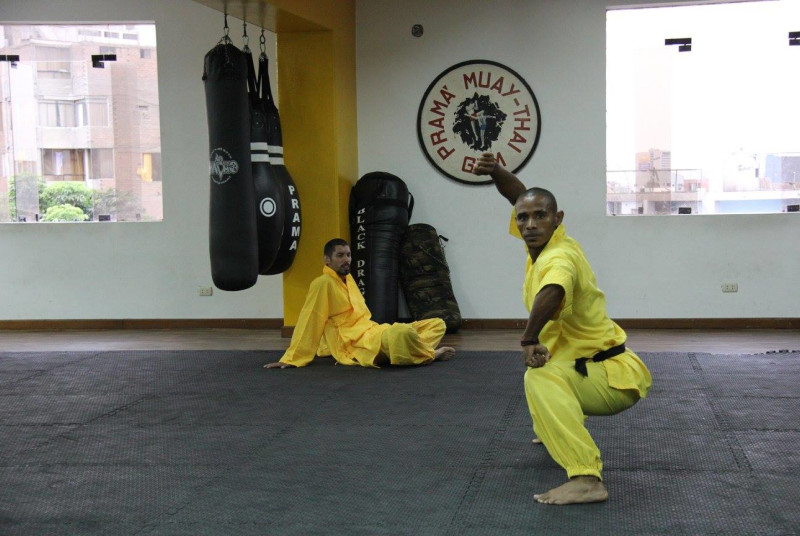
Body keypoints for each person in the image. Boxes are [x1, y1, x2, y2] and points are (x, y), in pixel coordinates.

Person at [473, 152, 652, 505]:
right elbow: (520, 195)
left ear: (558, 219)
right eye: (523, 218)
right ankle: (553, 425)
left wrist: (528, 338)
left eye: (540, 216)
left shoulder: (560, 256)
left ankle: (586, 478)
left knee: (539, 377)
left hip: (612, 378)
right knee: (545, 369)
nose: (530, 224)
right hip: (590, 365)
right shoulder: (547, 242)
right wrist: (496, 171)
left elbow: (553, 290)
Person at [264, 238, 455, 370]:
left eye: (348, 255)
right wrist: (293, 358)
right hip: (356, 343)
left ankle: (410, 350)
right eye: (340, 255)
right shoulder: (323, 283)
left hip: (373, 331)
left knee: (437, 324)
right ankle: (430, 354)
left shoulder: (348, 279)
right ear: (327, 260)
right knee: (402, 333)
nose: (346, 260)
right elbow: (311, 318)